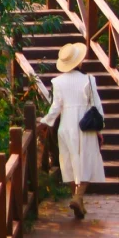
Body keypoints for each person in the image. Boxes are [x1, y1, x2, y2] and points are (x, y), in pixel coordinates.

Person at [38, 40, 105, 218]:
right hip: (85, 126)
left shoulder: (58, 82)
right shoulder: (89, 80)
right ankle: (78, 196)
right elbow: (96, 107)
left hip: (66, 126)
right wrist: (99, 130)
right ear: (79, 61)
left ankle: (78, 200)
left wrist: (44, 122)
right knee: (87, 161)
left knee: (69, 162)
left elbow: (56, 108)